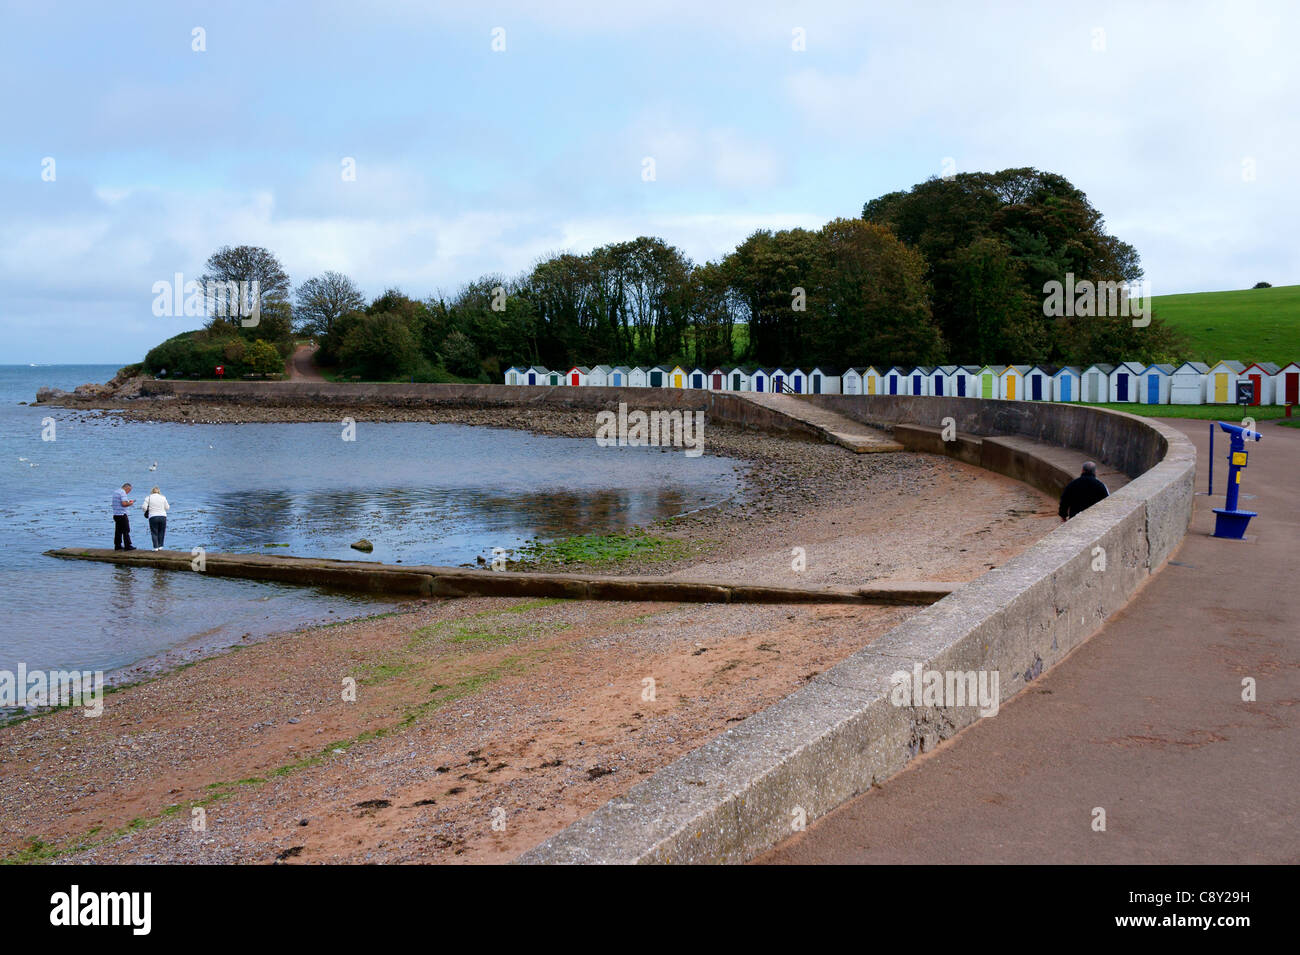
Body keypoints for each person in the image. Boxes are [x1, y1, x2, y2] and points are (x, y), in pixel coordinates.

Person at [142, 485, 170, 550]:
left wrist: (147, 510)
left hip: (153, 516)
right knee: (162, 531)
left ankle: (155, 547)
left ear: (152, 492)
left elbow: (144, 507)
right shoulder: (163, 497)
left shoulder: (148, 497)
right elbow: (167, 507)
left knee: (154, 532)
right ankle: (160, 546)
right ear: (159, 492)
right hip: (163, 516)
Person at [112, 482, 136, 550]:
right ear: (126, 488)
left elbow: (119, 502)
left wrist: (128, 501)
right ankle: (127, 546)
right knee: (126, 530)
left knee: (118, 531)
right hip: (122, 514)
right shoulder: (123, 492)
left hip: (116, 514)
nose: (129, 492)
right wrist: (130, 503)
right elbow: (124, 504)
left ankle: (117, 545)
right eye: (129, 490)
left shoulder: (116, 492)